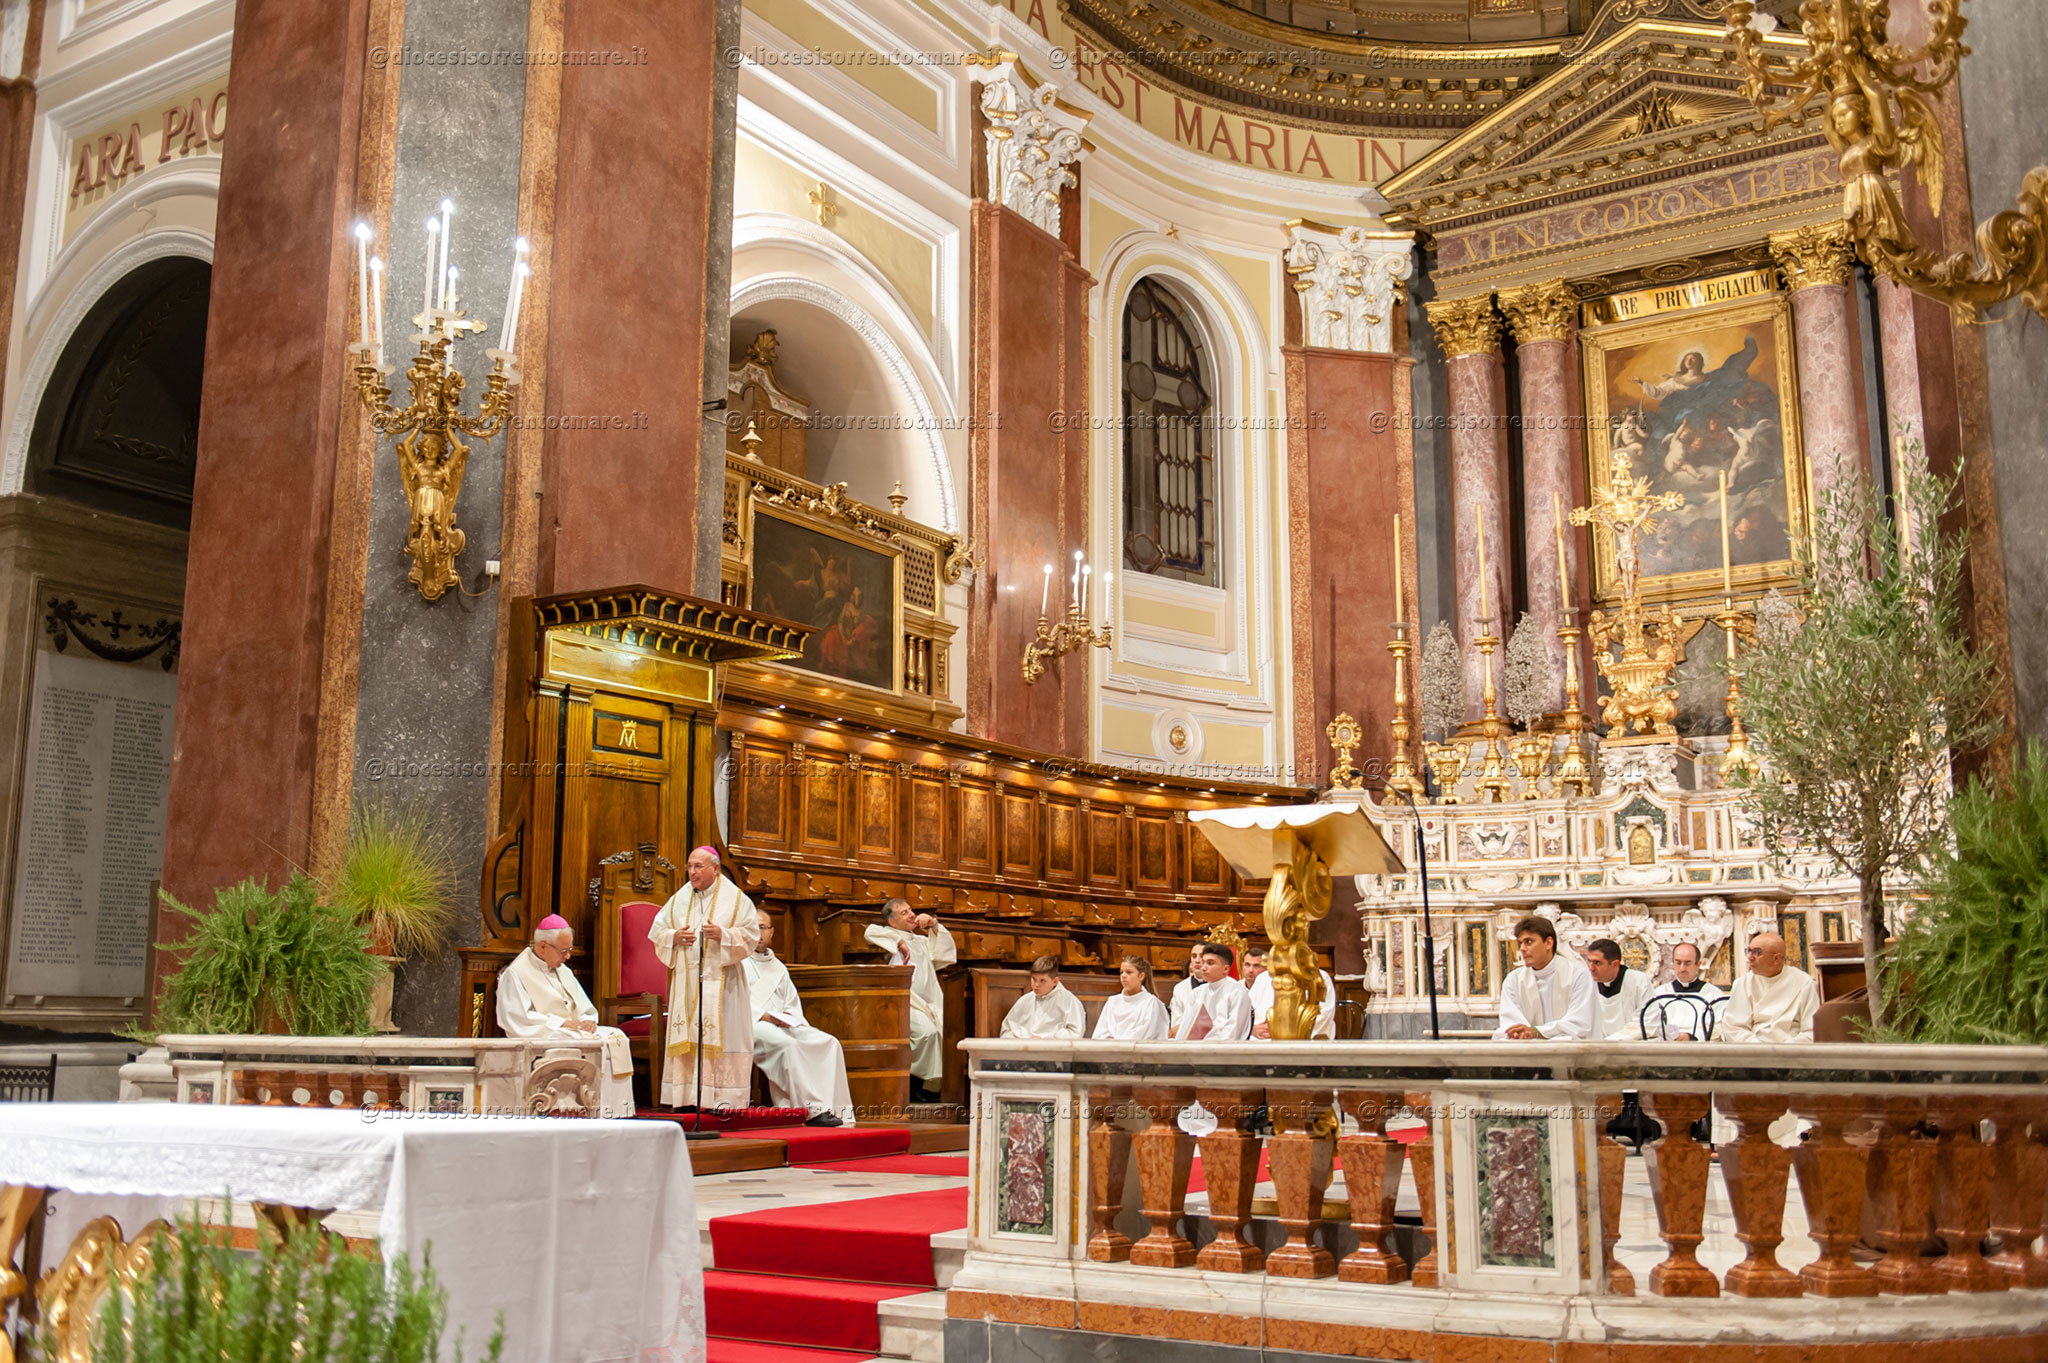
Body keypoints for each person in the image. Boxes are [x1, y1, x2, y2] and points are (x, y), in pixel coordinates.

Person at [649, 846, 761, 1111]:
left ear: (715, 868)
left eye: (698, 866)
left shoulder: (736, 899)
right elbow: (657, 931)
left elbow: (751, 936)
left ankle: (721, 1098)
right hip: (686, 983)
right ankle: (686, 1097)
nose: (692, 872)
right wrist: (674, 937)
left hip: (723, 985)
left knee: (720, 1034)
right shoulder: (680, 897)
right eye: (689, 866)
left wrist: (724, 935)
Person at [495, 914, 634, 1117]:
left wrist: (587, 1020)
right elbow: (517, 1019)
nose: (568, 956)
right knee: (583, 1039)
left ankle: (618, 1112)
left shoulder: (563, 970)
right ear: (543, 946)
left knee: (616, 1036)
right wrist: (563, 1023)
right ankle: (596, 1111)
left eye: (569, 949)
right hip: (543, 1034)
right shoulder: (516, 973)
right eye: (563, 951)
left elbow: (584, 1006)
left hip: (570, 1031)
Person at [743, 915, 854, 1127]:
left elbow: (791, 1003)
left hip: (781, 1022)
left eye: (763, 927)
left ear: (771, 932)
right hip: (753, 1022)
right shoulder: (737, 962)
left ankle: (837, 1109)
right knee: (790, 1046)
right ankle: (810, 1110)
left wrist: (788, 1017)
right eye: (752, 927)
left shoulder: (778, 968)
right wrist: (766, 1016)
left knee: (830, 1043)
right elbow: (735, 1002)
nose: (758, 933)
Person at [1719, 931, 1820, 1144]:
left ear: (1777, 958)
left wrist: (1782, 1051)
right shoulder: (1743, 984)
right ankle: (1739, 1140)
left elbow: (1811, 1031)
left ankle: (1793, 1139)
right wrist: (1759, 1049)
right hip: (1752, 1051)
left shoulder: (1804, 984)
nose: (1750, 958)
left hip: (1789, 1053)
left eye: (1757, 952)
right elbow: (1734, 1027)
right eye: (1749, 951)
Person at [865, 897, 957, 1102]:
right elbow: (869, 931)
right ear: (892, 921)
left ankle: (933, 1088)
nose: (911, 914)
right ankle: (914, 1084)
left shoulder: (921, 941)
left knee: (947, 1032)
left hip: (929, 1001)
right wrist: (898, 942)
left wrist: (934, 925)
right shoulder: (889, 937)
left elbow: (945, 955)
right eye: (904, 912)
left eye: (910, 910)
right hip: (907, 1001)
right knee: (927, 1034)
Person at [1494, 916, 1600, 1041]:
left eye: (1529, 942)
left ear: (1548, 943)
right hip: (1527, 1050)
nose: (1522, 948)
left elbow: (1579, 1023)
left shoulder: (1578, 975)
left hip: (1570, 1051)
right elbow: (1510, 1023)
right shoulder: (1514, 980)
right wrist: (1519, 1033)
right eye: (1520, 943)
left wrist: (1536, 1032)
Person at [1247, 947, 1337, 1040]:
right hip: (1260, 1041)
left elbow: (1324, 1016)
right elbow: (1247, 1013)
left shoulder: (1319, 977)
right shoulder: (1263, 978)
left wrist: (1280, 1031)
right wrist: (1253, 1029)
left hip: (1303, 1041)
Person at [1643, 942, 1723, 1041]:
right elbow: (1651, 1027)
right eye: (1678, 963)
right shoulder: (1660, 993)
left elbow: (1717, 1030)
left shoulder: (1714, 994)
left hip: (1701, 1048)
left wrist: (1691, 1038)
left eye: (1687, 963)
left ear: (1698, 964)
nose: (1682, 968)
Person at [1173, 943, 1253, 1041]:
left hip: (1226, 1048)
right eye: (1203, 962)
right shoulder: (1196, 993)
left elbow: (1233, 1033)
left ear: (1225, 969)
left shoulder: (1237, 993)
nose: (1203, 968)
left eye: (1210, 963)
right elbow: (1186, 1028)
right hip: (1197, 1047)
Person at [1000, 955, 1086, 1039]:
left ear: (1055, 981)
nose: (1036, 985)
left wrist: (1044, 1040)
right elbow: (1007, 1030)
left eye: (1042, 980)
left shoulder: (1070, 1002)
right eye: (1034, 979)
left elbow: (1075, 1034)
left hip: (1052, 1048)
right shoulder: (1024, 1000)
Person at [1587, 938, 1653, 1041]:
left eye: (1597, 963)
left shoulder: (1638, 982)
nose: (1591, 968)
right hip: (1597, 1046)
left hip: (1631, 1046)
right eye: (1589, 962)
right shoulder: (1587, 984)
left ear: (1615, 964)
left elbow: (1647, 1022)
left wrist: (1611, 1041)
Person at [1093, 955, 1170, 1041]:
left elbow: (1144, 1035)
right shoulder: (1112, 1001)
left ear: (1141, 976)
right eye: (1121, 972)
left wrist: (1115, 1041)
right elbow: (1099, 1033)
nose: (1123, 976)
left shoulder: (1151, 1003)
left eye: (1129, 972)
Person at [1167, 941, 1205, 1034]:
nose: (1197, 960)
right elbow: (1176, 1024)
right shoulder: (1180, 988)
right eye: (1194, 956)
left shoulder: (1218, 984)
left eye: (1201, 956)